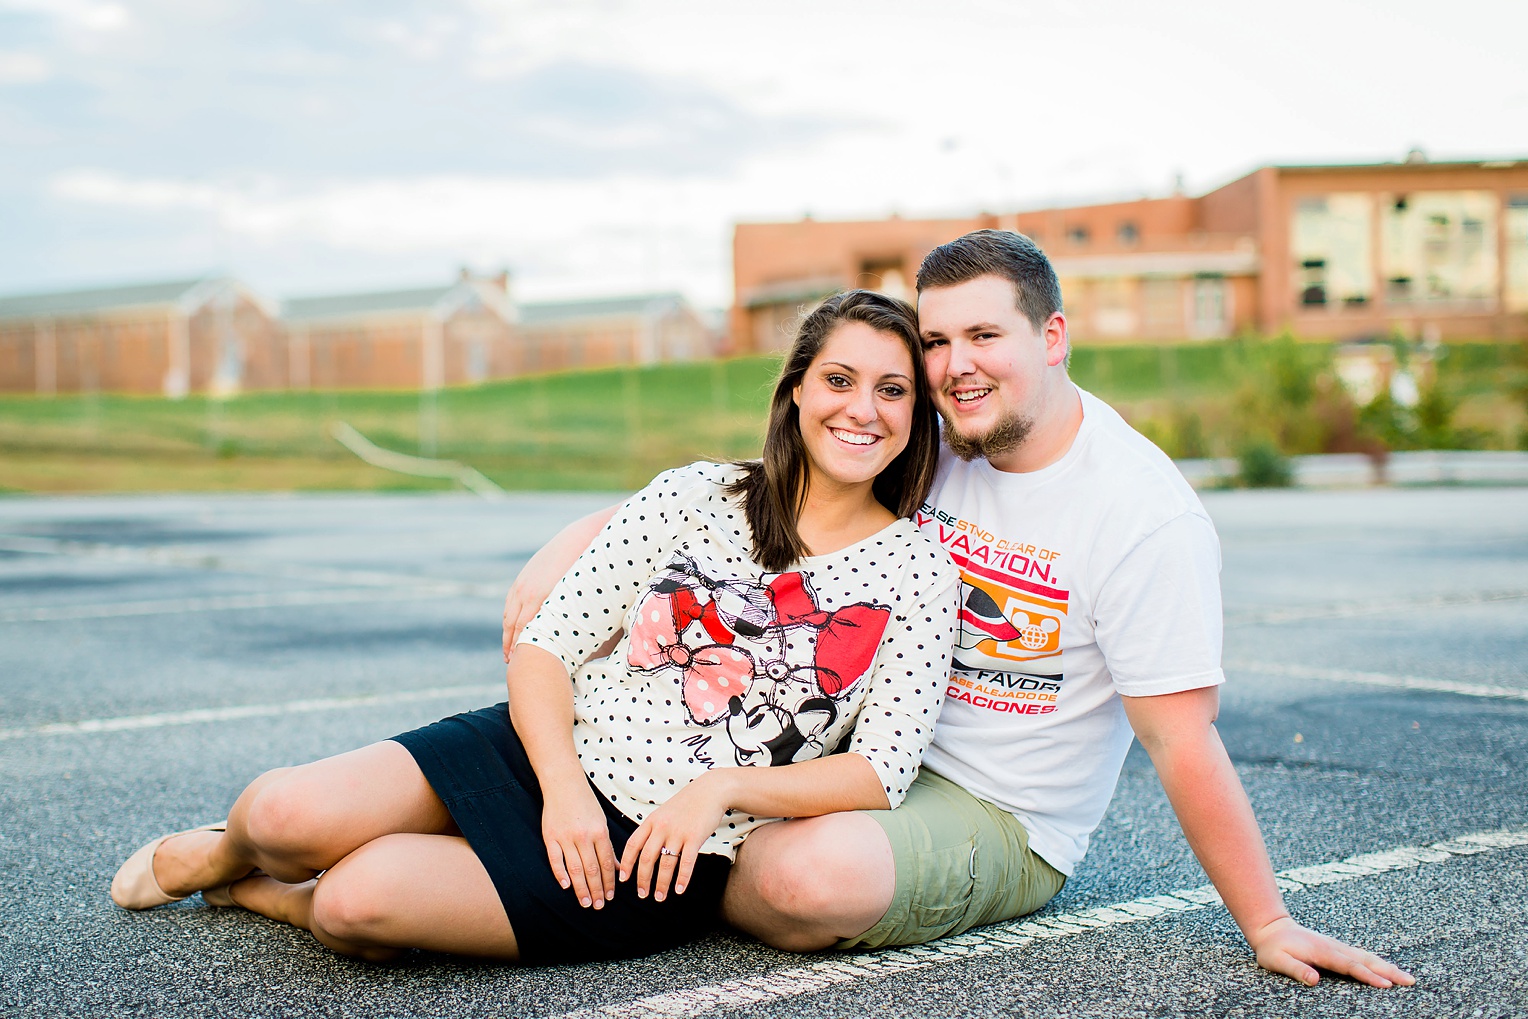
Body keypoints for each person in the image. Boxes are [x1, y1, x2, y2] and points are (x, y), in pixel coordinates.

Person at [501, 231, 1415, 988]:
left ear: (1052, 337)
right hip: (854, 748)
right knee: (678, 717)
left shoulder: (1142, 516)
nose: (953, 366)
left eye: (984, 335)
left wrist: (1267, 921)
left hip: (996, 807)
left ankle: (633, 877)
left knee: (798, 875)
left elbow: (1182, 738)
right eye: (935, 341)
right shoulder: (938, 438)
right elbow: (757, 488)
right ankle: (598, 842)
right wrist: (577, 536)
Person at [110, 289, 960, 965]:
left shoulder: (920, 573)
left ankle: (264, 893)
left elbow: (878, 770)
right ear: (798, 390)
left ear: (917, 415)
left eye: (893, 390)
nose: (863, 410)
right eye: (840, 379)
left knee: (351, 905)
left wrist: (721, 790)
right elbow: (548, 643)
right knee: (287, 813)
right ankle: (228, 854)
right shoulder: (697, 493)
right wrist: (560, 790)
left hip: (658, 855)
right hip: (546, 753)